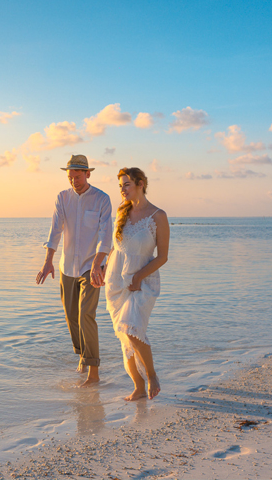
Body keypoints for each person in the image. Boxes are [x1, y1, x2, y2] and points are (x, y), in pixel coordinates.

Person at [36, 154, 112, 387]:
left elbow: (106, 233)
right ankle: (82, 355)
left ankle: (94, 372)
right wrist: (48, 260)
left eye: (77, 176)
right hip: (67, 266)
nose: (74, 181)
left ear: (88, 173)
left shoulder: (102, 199)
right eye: (70, 177)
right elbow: (55, 231)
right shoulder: (62, 198)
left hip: (92, 267)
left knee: (85, 315)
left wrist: (100, 262)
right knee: (71, 317)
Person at [104, 167, 169, 401]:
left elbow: (163, 256)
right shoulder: (122, 212)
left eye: (126, 184)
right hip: (116, 281)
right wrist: (101, 268)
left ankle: (152, 376)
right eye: (120, 185)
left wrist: (139, 277)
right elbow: (116, 248)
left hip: (143, 281)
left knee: (131, 329)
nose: (122, 190)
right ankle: (138, 387)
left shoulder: (158, 216)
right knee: (123, 335)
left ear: (141, 183)